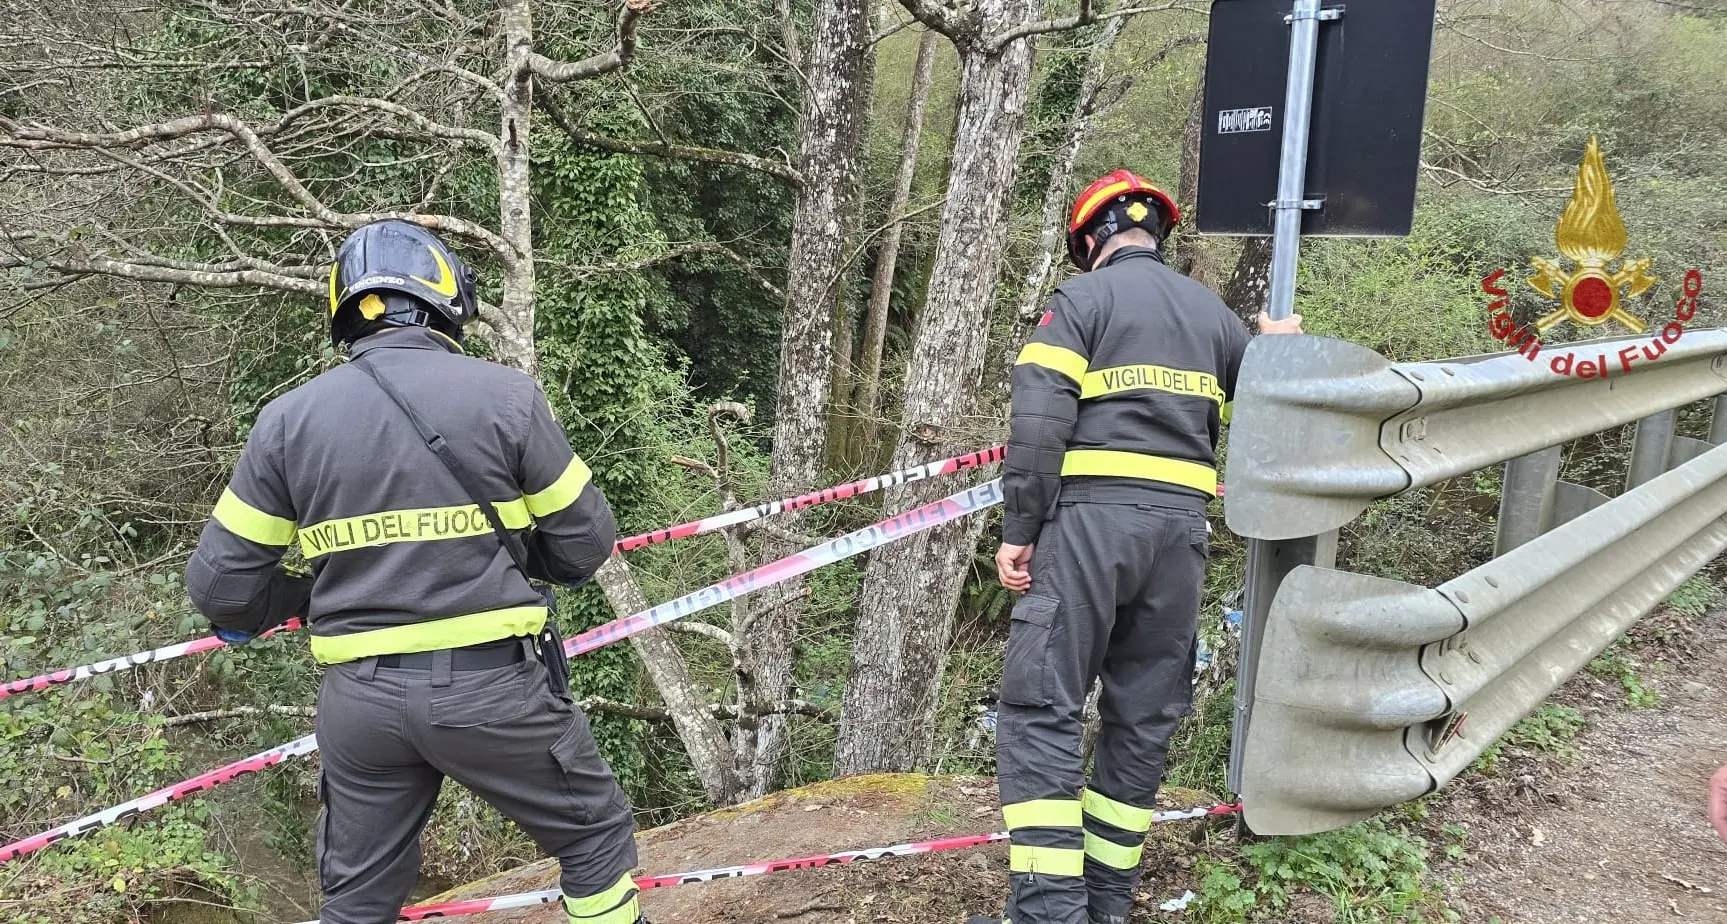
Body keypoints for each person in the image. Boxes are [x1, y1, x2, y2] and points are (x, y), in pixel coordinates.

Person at [186, 220, 642, 924]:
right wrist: (515, 562)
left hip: (361, 707)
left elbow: (222, 594)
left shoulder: (286, 422)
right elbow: (585, 543)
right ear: (447, 299)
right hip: (495, 691)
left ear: (344, 313)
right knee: (594, 842)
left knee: (357, 900)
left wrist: (311, 597)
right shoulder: (507, 398)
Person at [971, 171, 1302, 924]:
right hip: (1181, 535)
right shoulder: (1215, 318)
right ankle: (1107, 904)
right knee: (1142, 714)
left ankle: (1050, 913)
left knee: (1040, 709)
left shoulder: (1078, 302)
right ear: (1156, 233)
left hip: (1088, 529)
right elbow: (1268, 407)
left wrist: (1018, 532)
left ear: (1089, 239)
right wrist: (1274, 350)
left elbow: (1037, 428)